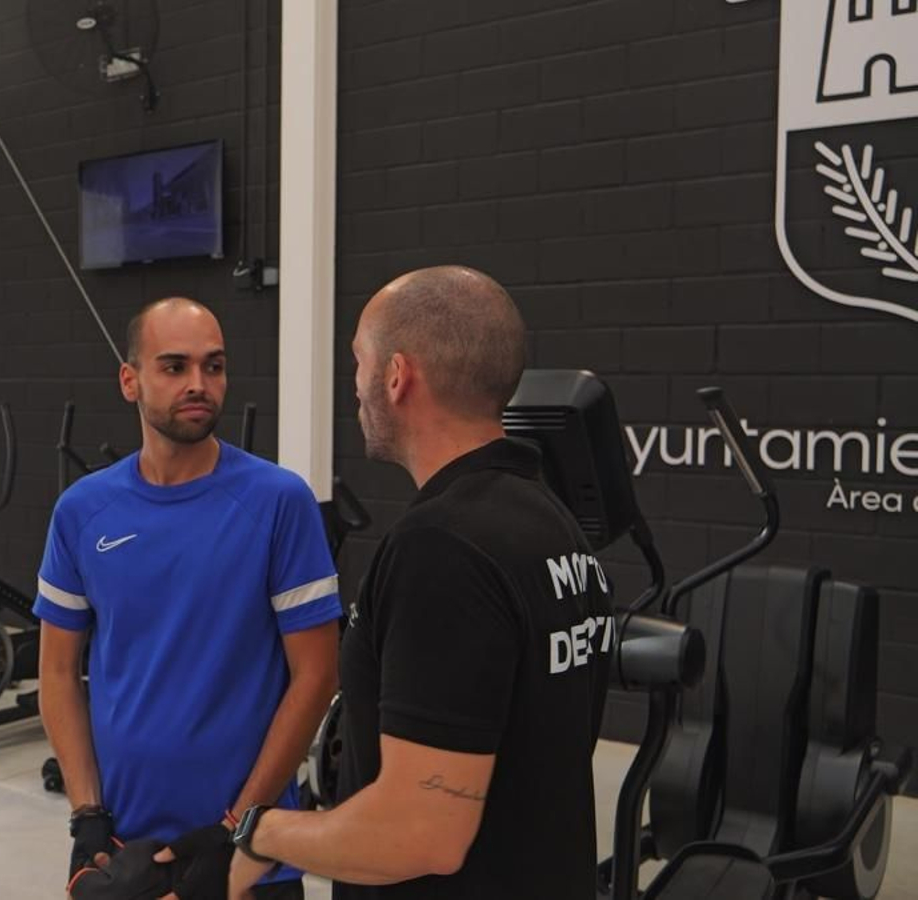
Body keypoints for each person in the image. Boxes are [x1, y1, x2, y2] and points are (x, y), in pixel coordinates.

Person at [221, 266, 615, 899]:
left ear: (398, 376)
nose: (355, 388)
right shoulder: (554, 522)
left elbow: (419, 833)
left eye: (358, 362)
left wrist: (259, 836)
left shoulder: (441, 549)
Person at [35, 297, 342, 900]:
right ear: (131, 380)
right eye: (174, 367)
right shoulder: (82, 511)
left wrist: (237, 829)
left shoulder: (280, 502)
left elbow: (316, 675)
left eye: (214, 366)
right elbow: (57, 669)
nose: (199, 384)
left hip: (252, 855)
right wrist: (85, 813)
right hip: (126, 851)